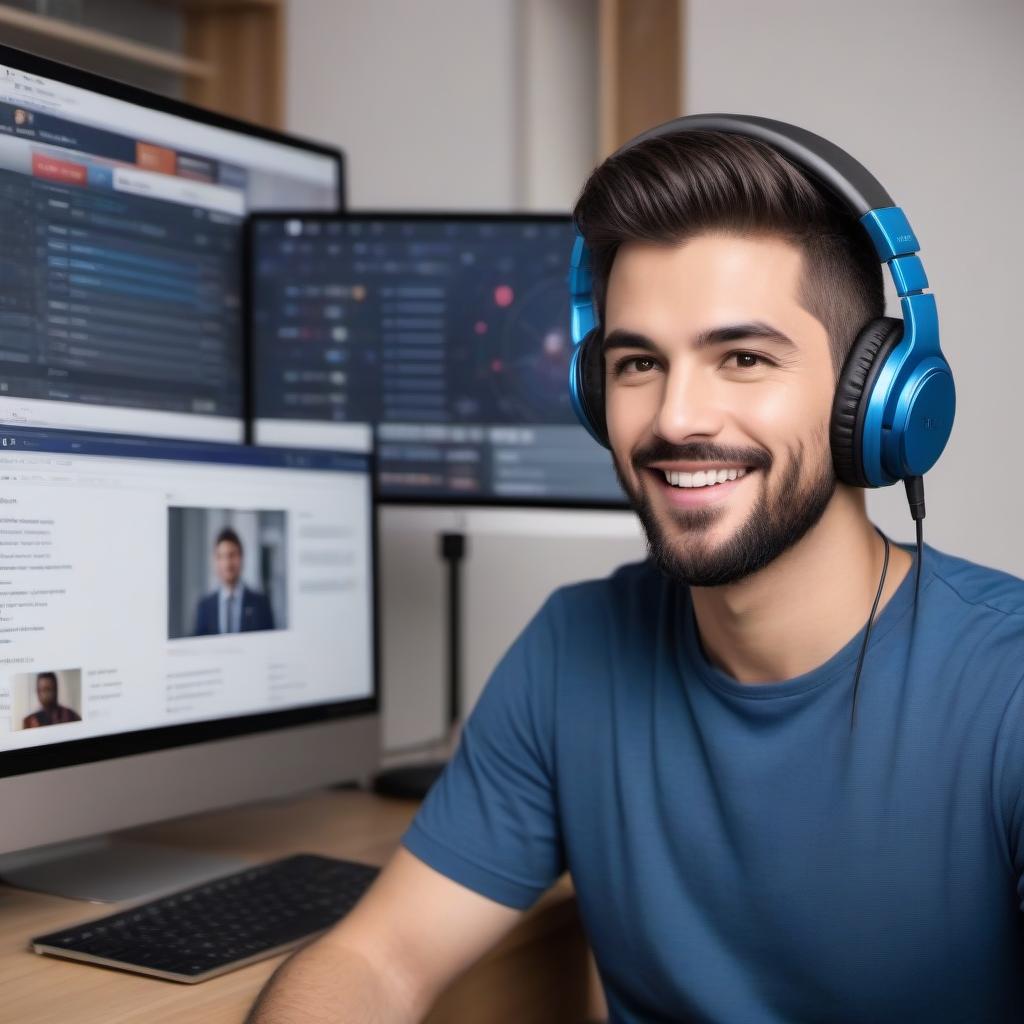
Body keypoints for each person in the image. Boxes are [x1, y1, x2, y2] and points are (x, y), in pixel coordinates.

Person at [247, 122, 1024, 1023]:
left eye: (743, 358)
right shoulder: (570, 652)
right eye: (638, 363)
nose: (677, 416)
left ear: (876, 396)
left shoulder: (1005, 687)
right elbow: (378, 961)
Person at [193, 526, 275, 635]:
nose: (227, 563)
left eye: (232, 555)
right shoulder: (205, 607)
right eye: (221, 556)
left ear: (241, 558)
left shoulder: (261, 604)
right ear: (215, 562)